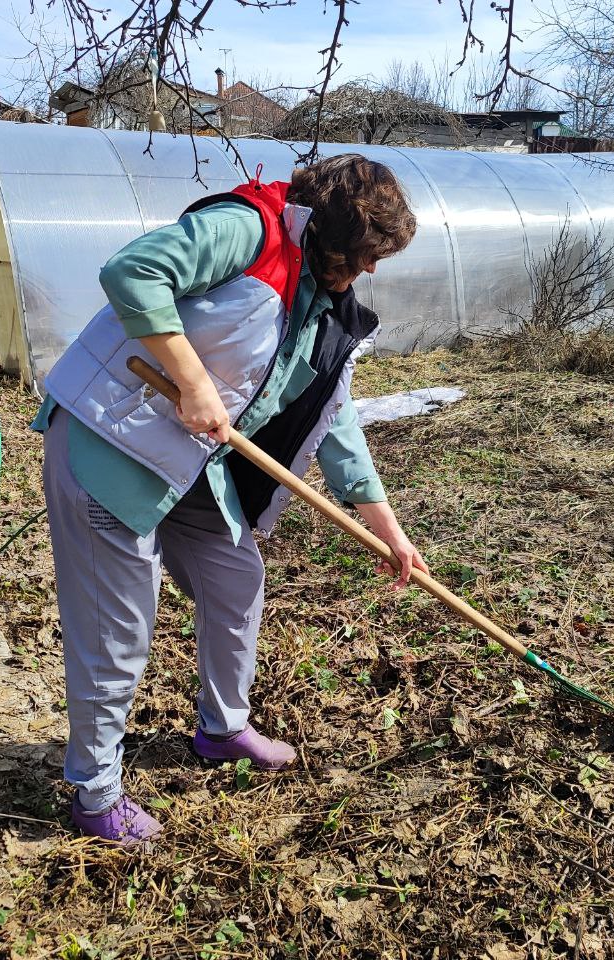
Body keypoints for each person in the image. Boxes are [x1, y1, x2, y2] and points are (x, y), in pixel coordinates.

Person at [32, 155, 429, 846]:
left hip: (189, 463)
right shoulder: (246, 230)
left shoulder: (324, 305)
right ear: (326, 231)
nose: (368, 272)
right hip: (110, 444)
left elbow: (336, 421)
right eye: (365, 255)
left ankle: (223, 728)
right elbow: (132, 272)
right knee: (118, 632)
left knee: (235, 575)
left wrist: (388, 529)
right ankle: (94, 794)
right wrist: (191, 380)